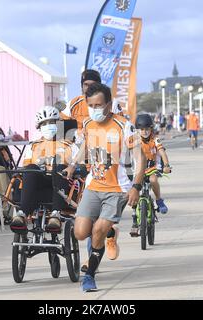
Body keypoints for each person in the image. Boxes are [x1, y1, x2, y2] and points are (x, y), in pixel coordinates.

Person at [64, 83, 146, 292]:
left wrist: (136, 186)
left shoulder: (124, 126)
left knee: (98, 230)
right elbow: (85, 145)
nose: (94, 109)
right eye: (91, 105)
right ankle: (109, 234)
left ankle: (90, 275)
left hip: (117, 189)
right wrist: (73, 165)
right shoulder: (89, 123)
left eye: (99, 105)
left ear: (109, 105)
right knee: (81, 233)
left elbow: (140, 157)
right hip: (94, 186)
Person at [62, 69, 120, 270]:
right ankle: (107, 233)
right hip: (79, 160)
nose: (88, 89)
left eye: (91, 85)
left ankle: (92, 258)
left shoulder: (111, 107)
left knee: (96, 220)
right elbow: (62, 126)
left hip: (103, 165)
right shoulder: (75, 104)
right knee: (83, 223)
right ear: (81, 86)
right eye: (85, 85)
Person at [9, 106, 79, 232]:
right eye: (45, 123)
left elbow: (80, 167)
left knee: (60, 166)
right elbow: (25, 169)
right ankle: (22, 214)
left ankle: (55, 215)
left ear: (58, 123)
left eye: (52, 122)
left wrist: (72, 168)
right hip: (38, 184)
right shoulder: (33, 146)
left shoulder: (70, 146)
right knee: (30, 168)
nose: (49, 126)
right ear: (39, 127)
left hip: (61, 185)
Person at [130, 114, 171, 236]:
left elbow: (162, 153)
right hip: (138, 170)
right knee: (134, 191)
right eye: (142, 129)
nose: (144, 132)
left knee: (153, 180)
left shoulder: (155, 139)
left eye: (147, 129)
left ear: (151, 129)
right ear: (137, 130)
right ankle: (134, 221)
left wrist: (166, 165)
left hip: (152, 168)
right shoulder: (133, 139)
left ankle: (159, 200)